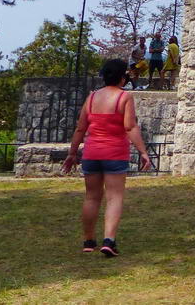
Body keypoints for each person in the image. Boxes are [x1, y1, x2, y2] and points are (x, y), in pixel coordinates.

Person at [63, 59, 152, 257]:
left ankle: (88, 240)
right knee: (114, 197)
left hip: (92, 152)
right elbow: (130, 127)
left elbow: (80, 127)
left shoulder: (92, 97)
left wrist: (72, 152)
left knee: (92, 197)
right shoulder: (124, 97)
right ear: (123, 77)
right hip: (115, 152)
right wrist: (143, 151)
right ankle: (109, 241)